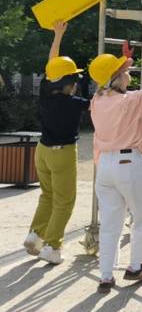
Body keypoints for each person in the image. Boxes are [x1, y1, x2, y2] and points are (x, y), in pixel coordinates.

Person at [89, 40, 142, 294]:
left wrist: (124, 60)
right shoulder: (131, 101)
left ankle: (106, 275)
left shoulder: (97, 99)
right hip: (128, 163)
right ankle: (135, 267)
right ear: (117, 78)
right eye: (125, 71)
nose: (129, 73)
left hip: (104, 165)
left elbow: (113, 79)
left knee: (110, 223)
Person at [23, 21, 90, 265]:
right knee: (65, 201)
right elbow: (102, 102)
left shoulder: (44, 92)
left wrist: (58, 35)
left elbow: (53, 65)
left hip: (42, 151)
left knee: (47, 195)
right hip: (62, 154)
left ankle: (35, 234)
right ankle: (51, 246)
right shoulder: (74, 102)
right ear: (69, 84)